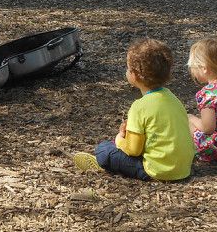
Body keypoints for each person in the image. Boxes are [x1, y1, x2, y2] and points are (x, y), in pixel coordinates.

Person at [73, 39, 195, 181]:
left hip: (157, 171)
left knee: (104, 150)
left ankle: (106, 164)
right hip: (184, 168)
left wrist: (120, 140)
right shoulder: (173, 98)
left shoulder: (139, 106)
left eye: (128, 68)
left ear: (135, 75)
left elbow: (134, 150)